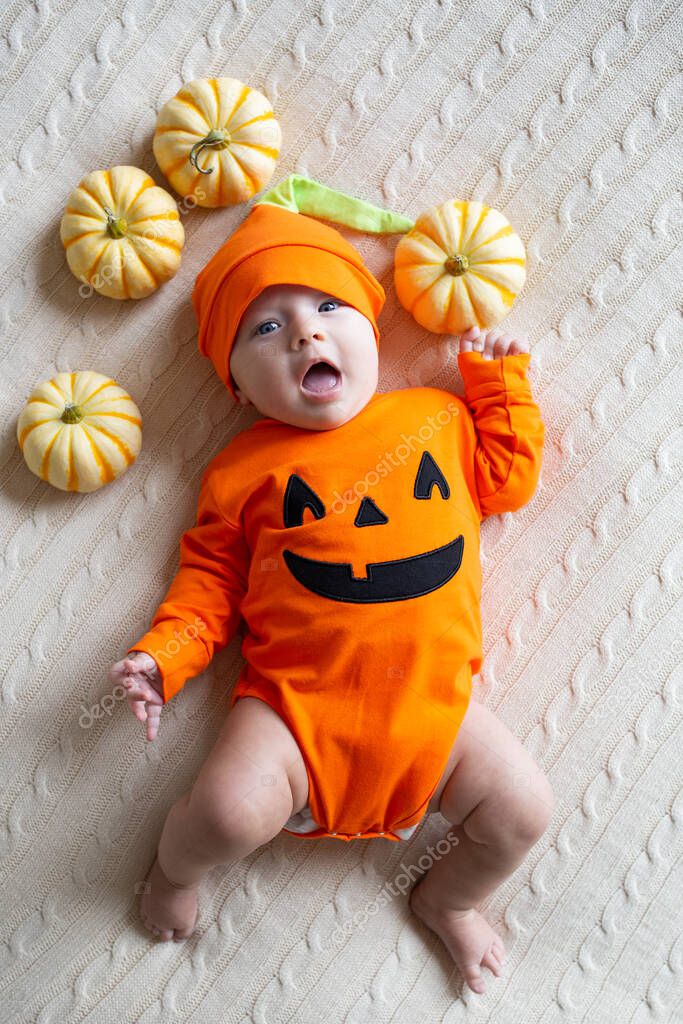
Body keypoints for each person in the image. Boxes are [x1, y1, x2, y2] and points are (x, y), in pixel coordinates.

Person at [110, 182, 554, 996]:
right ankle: (176, 871)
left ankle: (448, 901)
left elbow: (506, 479)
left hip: (434, 715)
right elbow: (207, 585)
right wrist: (162, 658)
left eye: (328, 307)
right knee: (223, 815)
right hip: (292, 714)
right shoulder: (242, 469)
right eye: (267, 327)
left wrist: (497, 386)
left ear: (372, 328)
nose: (306, 331)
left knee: (522, 812)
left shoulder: (432, 418)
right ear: (235, 384)